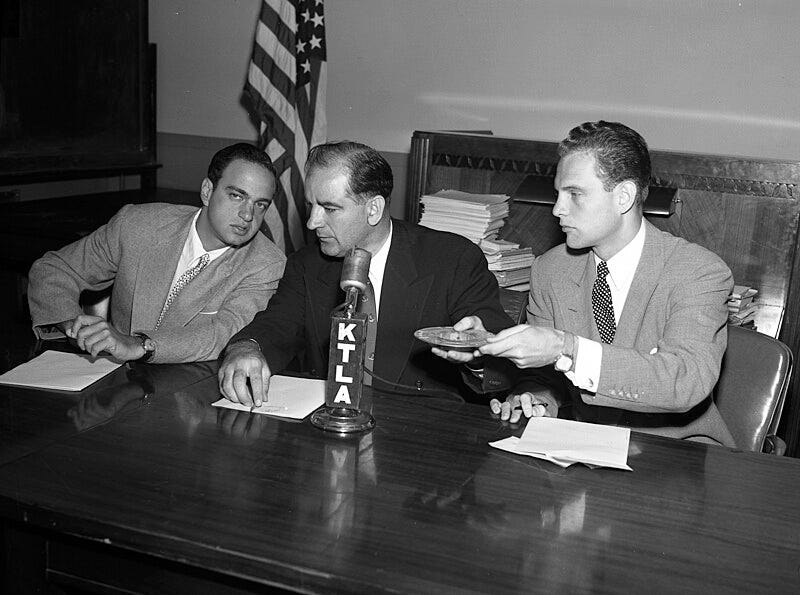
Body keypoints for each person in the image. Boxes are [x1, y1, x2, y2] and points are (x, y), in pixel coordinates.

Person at [439, 121, 735, 446]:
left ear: (623, 196)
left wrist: (565, 347)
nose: (557, 209)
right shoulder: (550, 269)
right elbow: (545, 374)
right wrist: (531, 395)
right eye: (558, 194)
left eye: (575, 194)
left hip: (677, 458)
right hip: (586, 451)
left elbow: (685, 380)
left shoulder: (698, 271)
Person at [218, 140, 514, 406]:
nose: (311, 223)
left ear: (373, 209)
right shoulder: (307, 263)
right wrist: (248, 346)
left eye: (329, 208)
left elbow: (500, 360)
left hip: (420, 433)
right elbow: (277, 324)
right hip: (331, 422)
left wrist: (477, 356)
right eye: (311, 206)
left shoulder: (453, 259)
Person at [28, 143, 286, 364]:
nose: (248, 215)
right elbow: (54, 269)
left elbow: (224, 334)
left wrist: (138, 345)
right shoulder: (138, 224)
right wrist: (74, 326)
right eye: (237, 196)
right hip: (111, 379)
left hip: (191, 395)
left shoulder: (266, 263)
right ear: (207, 191)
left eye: (260, 204)